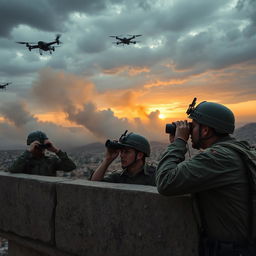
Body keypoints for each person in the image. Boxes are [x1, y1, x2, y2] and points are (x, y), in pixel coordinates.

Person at [156, 100, 256, 256]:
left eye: (193, 126)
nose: (189, 131)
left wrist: (179, 142)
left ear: (205, 131)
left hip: (230, 250)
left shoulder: (219, 157)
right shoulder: (238, 149)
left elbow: (166, 182)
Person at [91, 130, 156, 186]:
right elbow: (95, 185)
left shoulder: (156, 176)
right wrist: (108, 159)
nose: (121, 155)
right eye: (121, 151)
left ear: (139, 155)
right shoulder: (118, 177)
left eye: (127, 152)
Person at [9, 130, 76, 176]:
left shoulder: (51, 160)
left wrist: (56, 150)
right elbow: (13, 169)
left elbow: (71, 166)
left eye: (43, 146)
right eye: (37, 146)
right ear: (31, 146)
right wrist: (29, 151)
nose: (41, 149)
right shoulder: (25, 161)